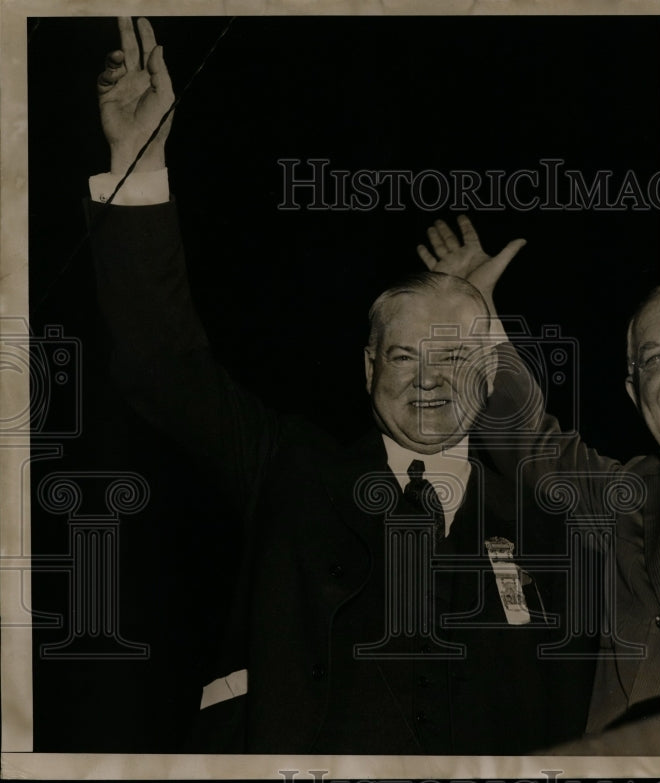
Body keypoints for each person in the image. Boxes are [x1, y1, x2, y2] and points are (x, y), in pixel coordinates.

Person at [87, 17, 597, 754]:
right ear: (367, 369)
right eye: (404, 357)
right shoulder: (290, 470)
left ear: (491, 372)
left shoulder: (544, 523)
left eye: (454, 357)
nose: (429, 380)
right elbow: (162, 364)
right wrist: (136, 161)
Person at [422, 253, 660, 736]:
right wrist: (476, 315)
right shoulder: (630, 492)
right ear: (634, 392)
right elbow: (531, 444)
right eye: (653, 358)